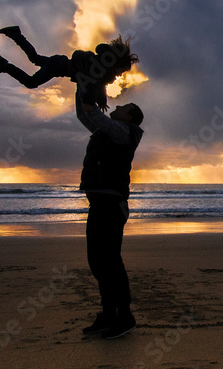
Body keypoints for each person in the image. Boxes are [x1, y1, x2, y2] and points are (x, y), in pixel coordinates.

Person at [76, 86, 144, 339]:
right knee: (97, 261)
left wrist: (91, 90)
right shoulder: (108, 130)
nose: (115, 107)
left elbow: (92, 114)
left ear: (128, 117)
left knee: (110, 261)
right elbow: (85, 117)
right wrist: (81, 84)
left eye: (122, 108)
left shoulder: (124, 131)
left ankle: (124, 316)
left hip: (111, 206)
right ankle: (108, 314)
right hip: (98, 204)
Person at [0, 26, 139, 110]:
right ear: (116, 64)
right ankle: (4, 66)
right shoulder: (101, 68)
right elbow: (93, 85)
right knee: (31, 82)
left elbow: (99, 87)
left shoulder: (101, 66)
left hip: (59, 63)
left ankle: (16, 34)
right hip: (58, 66)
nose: (121, 75)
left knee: (35, 58)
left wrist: (102, 102)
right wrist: (88, 103)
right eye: (122, 71)